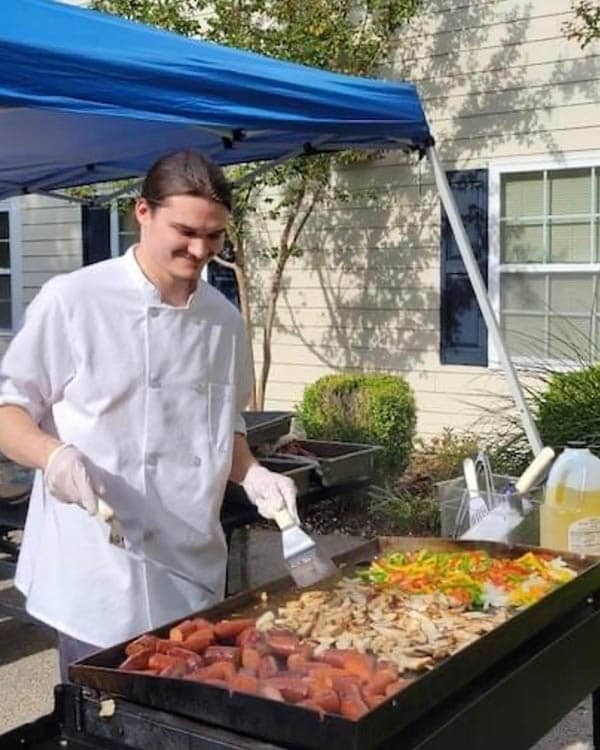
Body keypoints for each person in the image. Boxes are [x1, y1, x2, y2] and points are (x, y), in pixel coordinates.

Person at [0, 149, 298, 680]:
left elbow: (222, 426)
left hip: (191, 566)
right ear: (142, 212)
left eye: (214, 236)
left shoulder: (224, 321)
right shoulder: (74, 300)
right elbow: (9, 412)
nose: (200, 249)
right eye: (185, 231)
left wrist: (252, 473)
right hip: (96, 570)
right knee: (102, 720)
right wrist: (55, 456)